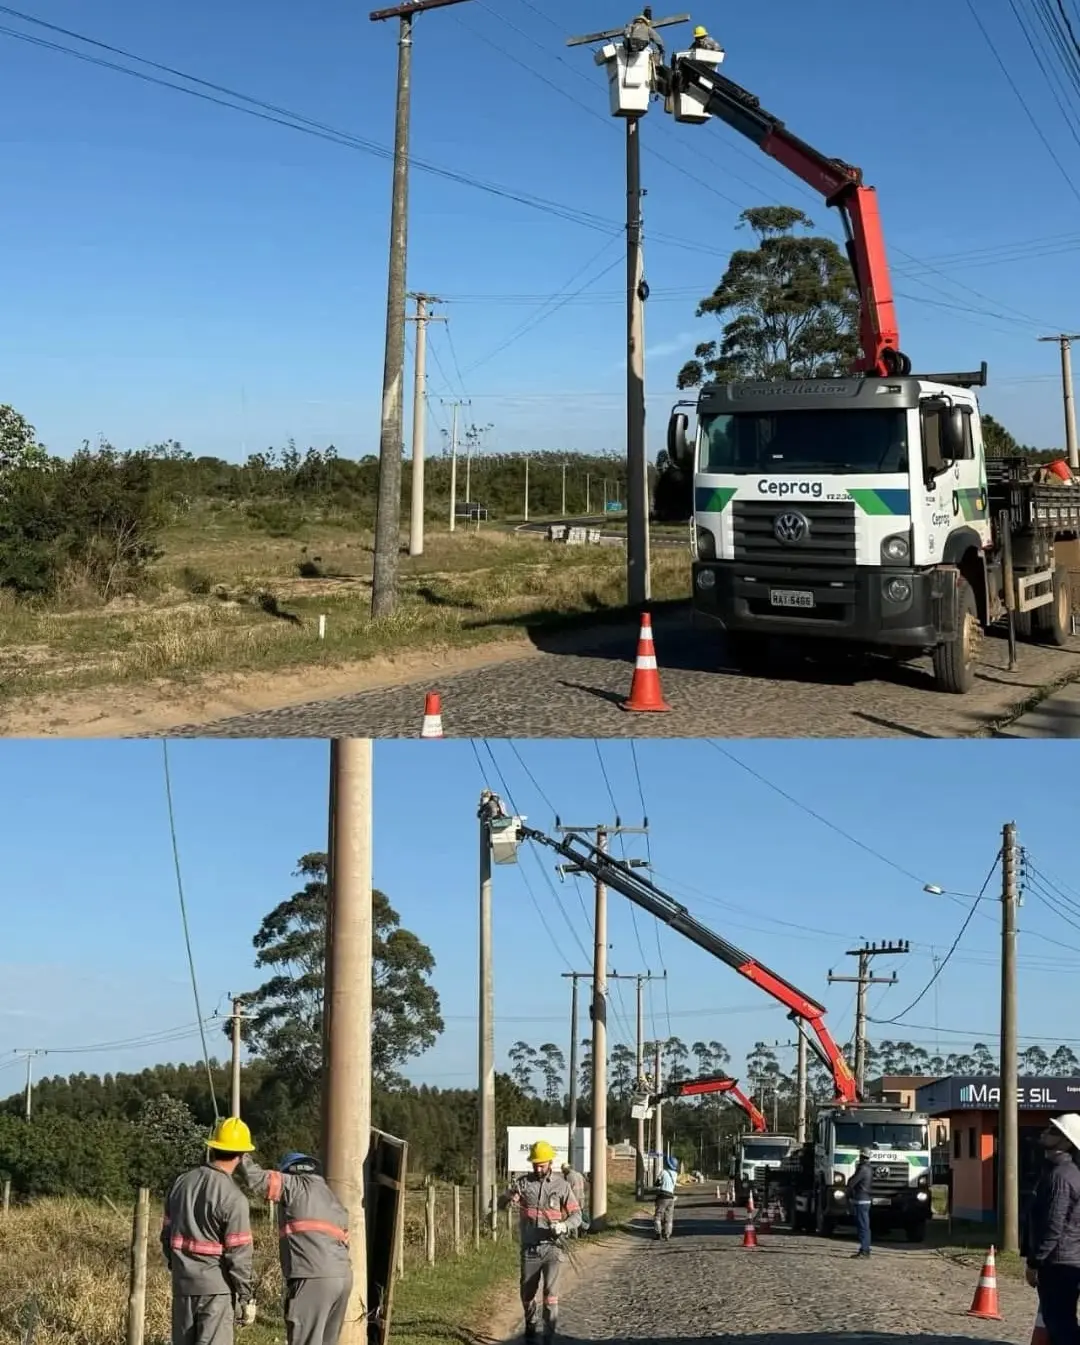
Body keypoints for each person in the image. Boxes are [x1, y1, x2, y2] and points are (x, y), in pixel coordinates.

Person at [238, 1149, 352, 1345]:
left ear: (289, 1171)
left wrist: (240, 1152)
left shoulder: (293, 1184)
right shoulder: (329, 1194)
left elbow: (254, 1178)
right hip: (343, 1278)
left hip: (313, 1277)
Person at [161, 1116, 257, 1345]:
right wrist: (246, 1296)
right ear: (242, 1156)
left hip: (183, 1285)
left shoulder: (180, 1184)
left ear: (212, 1148)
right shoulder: (234, 1198)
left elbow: (166, 1235)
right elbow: (239, 1256)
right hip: (217, 1289)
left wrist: (179, 1266)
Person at [498, 1140, 582, 1341]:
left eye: (541, 1164)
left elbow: (577, 1216)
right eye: (535, 1164)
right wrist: (508, 1199)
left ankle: (549, 1335)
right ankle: (530, 1322)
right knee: (527, 1293)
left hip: (554, 1248)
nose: (538, 1167)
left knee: (550, 1294)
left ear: (550, 1163)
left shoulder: (562, 1186)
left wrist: (564, 1225)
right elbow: (501, 1204)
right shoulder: (522, 1183)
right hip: (530, 1249)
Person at [1026, 1113, 1080, 1345]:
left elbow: (1053, 1225)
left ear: (1067, 1142)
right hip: (1066, 1261)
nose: (1045, 1133)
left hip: (1059, 1263)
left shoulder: (1060, 1177)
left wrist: (1034, 1262)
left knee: (1060, 1324)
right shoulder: (1063, 1173)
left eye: (1054, 1131)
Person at [845, 1147, 873, 1259]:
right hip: (866, 1198)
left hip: (861, 1199)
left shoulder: (862, 1168)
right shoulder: (869, 1168)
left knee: (863, 1226)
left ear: (862, 1157)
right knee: (865, 1225)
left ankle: (865, 1250)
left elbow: (852, 1182)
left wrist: (849, 1188)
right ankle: (865, 1249)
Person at [653, 1155, 678, 1241]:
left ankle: (658, 1233)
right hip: (671, 1197)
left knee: (658, 1215)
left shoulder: (663, 1172)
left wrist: (658, 1184)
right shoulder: (675, 1174)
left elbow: (656, 1183)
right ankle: (667, 1234)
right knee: (669, 1217)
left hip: (662, 1196)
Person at [560, 1162, 586, 1236]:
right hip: (581, 1198)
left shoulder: (569, 1177)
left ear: (565, 1170)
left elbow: (566, 1189)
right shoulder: (579, 1174)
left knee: (573, 1216)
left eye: (563, 1171)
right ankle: (582, 1232)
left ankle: (574, 1235)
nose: (563, 1173)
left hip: (573, 1200)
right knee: (579, 1216)